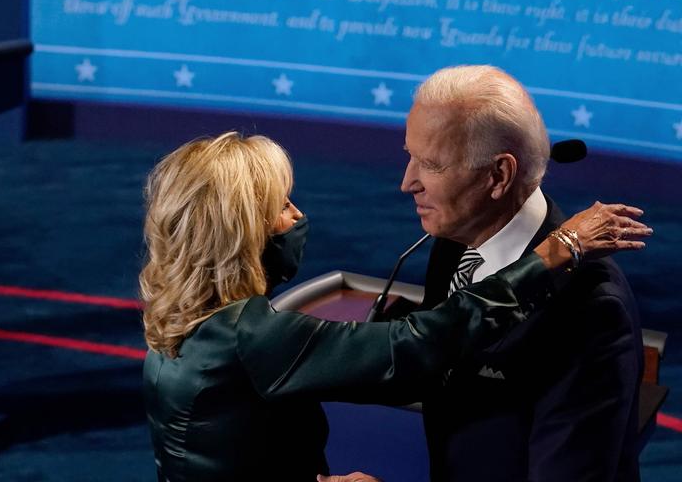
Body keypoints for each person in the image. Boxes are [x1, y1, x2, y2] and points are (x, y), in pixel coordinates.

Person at [139, 132, 649, 482]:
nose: (298, 216)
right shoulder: (250, 337)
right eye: (281, 206)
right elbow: (417, 348)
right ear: (239, 232)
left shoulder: (179, 311)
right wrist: (555, 253)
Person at [402, 65, 645, 481]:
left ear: (498, 176)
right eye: (410, 156)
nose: (408, 182)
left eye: (431, 164)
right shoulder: (453, 243)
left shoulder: (592, 311)